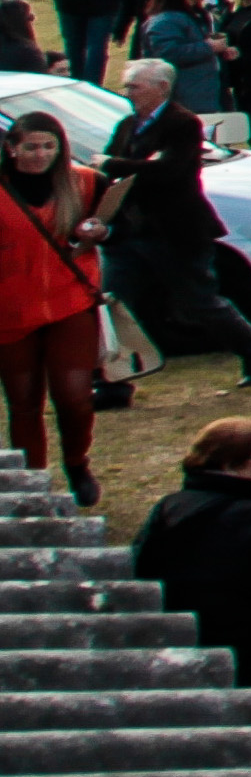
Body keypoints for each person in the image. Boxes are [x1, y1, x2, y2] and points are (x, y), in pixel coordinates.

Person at [85, 59, 251, 387]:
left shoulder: (183, 124)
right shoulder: (127, 126)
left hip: (176, 234)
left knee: (199, 301)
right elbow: (113, 172)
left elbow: (170, 171)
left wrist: (116, 164)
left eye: (135, 86)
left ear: (162, 88)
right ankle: (112, 380)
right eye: (127, 85)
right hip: (130, 235)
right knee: (114, 305)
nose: (127, 92)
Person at [131, 410, 251, 685]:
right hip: (244, 642)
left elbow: (140, 565)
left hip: (176, 633)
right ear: (230, 463)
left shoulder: (171, 505)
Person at [0, 108, 103, 503]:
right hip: (10, 311)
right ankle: (34, 483)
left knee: (75, 396)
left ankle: (77, 464)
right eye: (31, 147)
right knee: (23, 401)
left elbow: (124, 225)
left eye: (49, 146)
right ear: (11, 148)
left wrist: (102, 230)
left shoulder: (85, 183)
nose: (40, 154)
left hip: (69, 302)